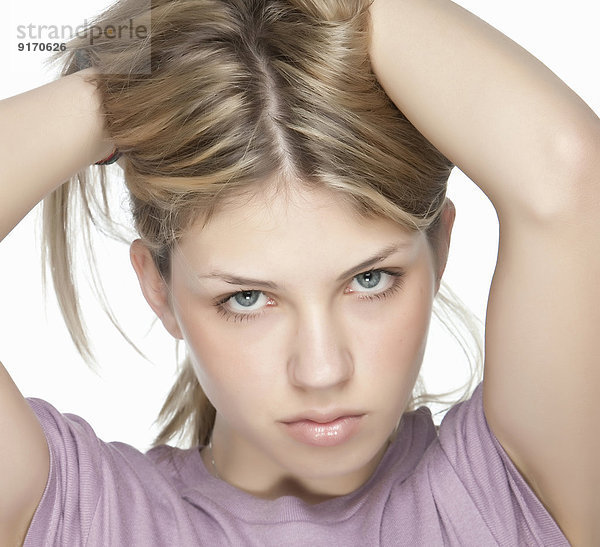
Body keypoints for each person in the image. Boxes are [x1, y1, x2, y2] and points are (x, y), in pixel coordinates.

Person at [0, 0, 598, 545]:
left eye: (370, 280)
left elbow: (567, 173)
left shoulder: (507, 493)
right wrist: (126, 85)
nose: (322, 371)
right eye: (248, 298)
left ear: (439, 251)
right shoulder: (86, 519)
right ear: (158, 289)